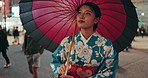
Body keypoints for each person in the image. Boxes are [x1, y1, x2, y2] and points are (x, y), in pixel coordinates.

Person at [50, 2, 118, 78]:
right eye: (79, 12)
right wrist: (61, 69)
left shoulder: (106, 44)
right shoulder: (67, 41)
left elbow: (109, 71)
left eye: (87, 13)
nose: (81, 16)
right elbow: (55, 60)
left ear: (96, 19)